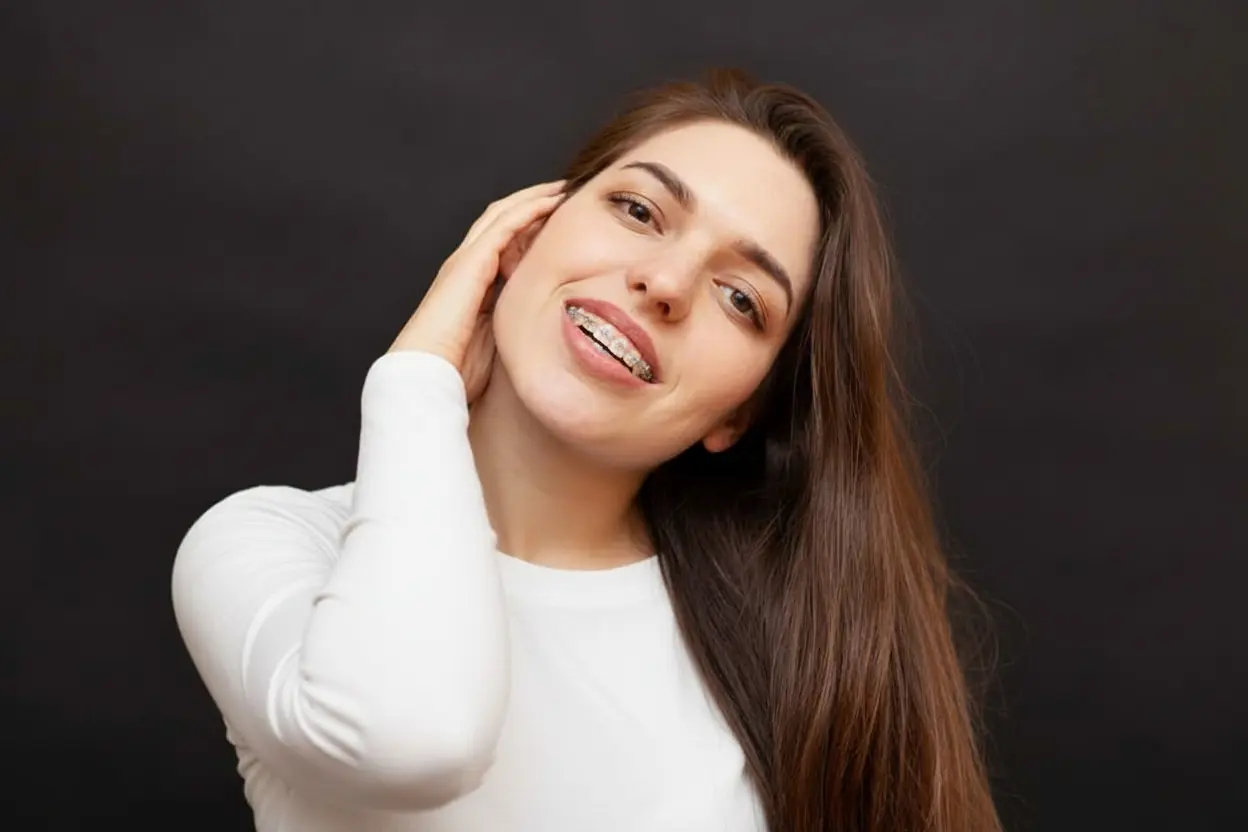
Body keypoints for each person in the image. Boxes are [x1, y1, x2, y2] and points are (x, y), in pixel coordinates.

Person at [172, 68, 1002, 832]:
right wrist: (414, 383)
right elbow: (413, 737)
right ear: (526, 233)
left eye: (740, 297)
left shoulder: (797, 656)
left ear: (740, 414)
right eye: (639, 211)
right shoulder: (270, 547)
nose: (666, 284)